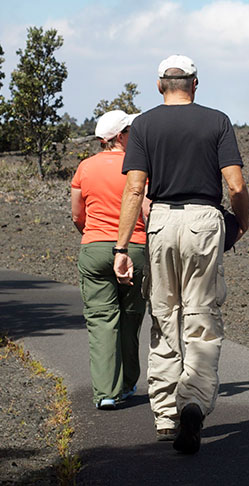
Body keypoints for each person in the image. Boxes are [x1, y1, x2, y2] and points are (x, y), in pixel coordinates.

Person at [113, 54, 249, 454]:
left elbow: (135, 190)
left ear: (160, 85)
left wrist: (122, 247)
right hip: (204, 221)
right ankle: (192, 402)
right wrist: (239, 224)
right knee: (202, 318)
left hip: (161, 222)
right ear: (195, 84)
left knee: (164, 314)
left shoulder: (143, 125)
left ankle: (166, 415)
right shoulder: (217, 121)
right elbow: (236, 184)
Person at [71, 110, 149, 410]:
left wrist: (93, 234)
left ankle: (106, 392)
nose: (133, 135)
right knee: (131, 317)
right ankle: (128, 383)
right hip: (135, 248)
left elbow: (78, 214)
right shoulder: (139, 168)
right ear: (119, 137)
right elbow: (146, 210)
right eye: (129, 130)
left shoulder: (85, 168)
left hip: (94, 248)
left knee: (103, 320)